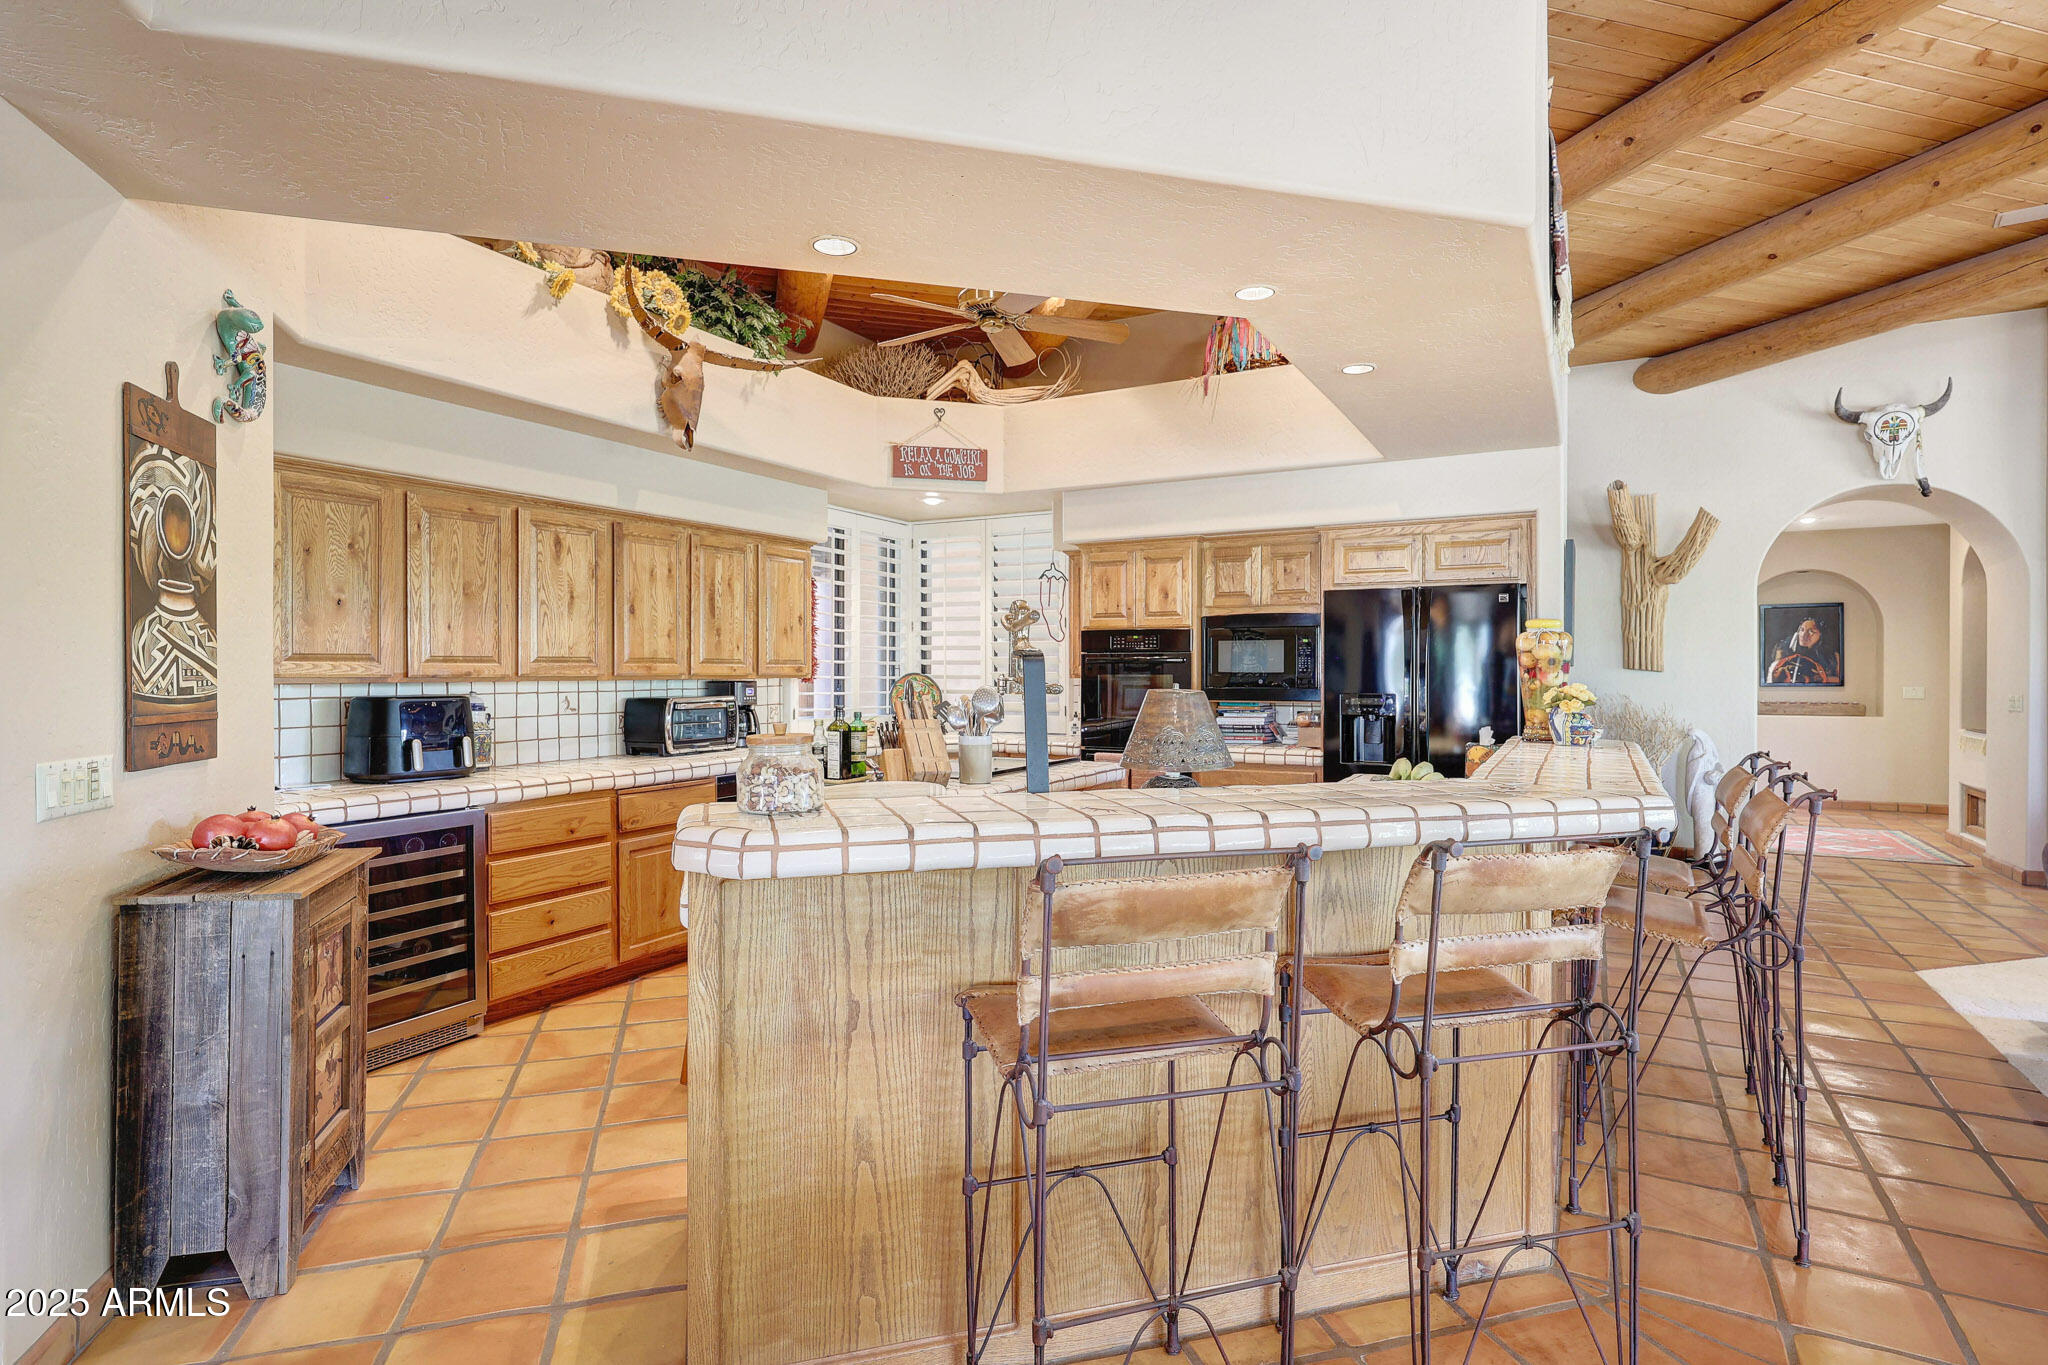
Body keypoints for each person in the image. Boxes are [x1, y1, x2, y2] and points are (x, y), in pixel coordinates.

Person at [1767, 616, 1841, 685]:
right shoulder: (1783, 650)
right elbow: (1772, 677)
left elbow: (1841, 680)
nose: (1804, 635)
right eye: (1802, 630)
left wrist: (1821, 679)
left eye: (1811, 631)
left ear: (1821, 635)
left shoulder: (1832, 656)